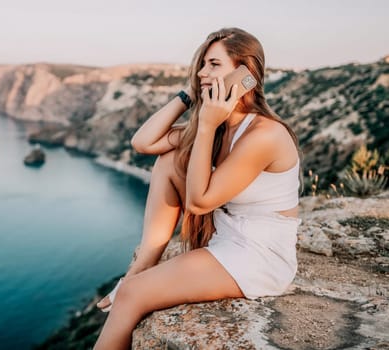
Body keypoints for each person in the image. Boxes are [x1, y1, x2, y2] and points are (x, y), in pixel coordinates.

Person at [93, 27, 303, 349]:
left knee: (132, 294)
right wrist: (190, 94)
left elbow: (200, 202)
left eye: (214, 65)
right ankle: (146, 260)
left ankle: (136, 279)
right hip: (227, 238)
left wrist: (205, 123)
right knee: (169, 159)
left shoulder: (265, 135)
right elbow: (143, 142)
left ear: (246, 73)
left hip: (259, 255)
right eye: (202, 65)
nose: (203, 72)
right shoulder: (221, 128)